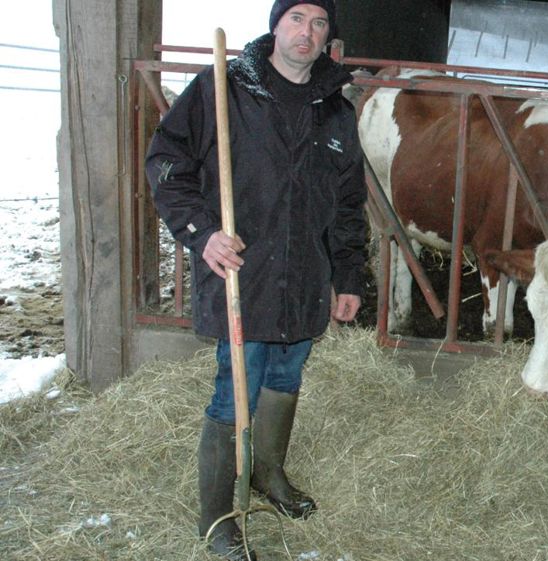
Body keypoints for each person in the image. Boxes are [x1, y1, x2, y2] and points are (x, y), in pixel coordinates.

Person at [145, 1, 366, 559]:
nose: (307, 32)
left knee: (286, 376)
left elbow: (347, 206)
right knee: (233, 390)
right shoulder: (222, 89)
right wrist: (202, 231)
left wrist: (347, 276)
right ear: (276, 26)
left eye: (319, 24)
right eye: (297, 18)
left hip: (306, 277)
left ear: (327, 39)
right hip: (244, 271)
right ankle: (218, 517)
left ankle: (268, 474)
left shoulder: (336, 111)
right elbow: (167, 163)